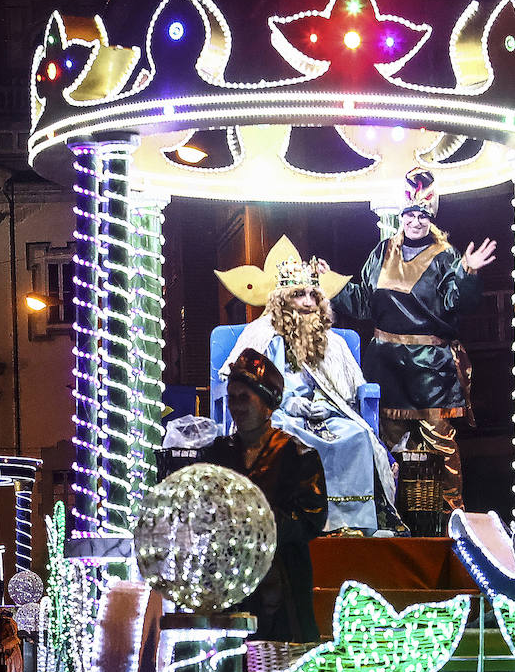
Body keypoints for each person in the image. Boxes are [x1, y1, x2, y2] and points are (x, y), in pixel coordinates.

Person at [334, 168, 497, 516]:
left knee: (439, 444)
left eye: (422, 215)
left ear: (431, 218)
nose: (416, 221)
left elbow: (459, 302)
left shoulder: (445, 255)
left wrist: (467, 273)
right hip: (386, 365)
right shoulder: (383, 252)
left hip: (429, 368)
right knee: (381, 443)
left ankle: (453, 517)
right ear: (401, 215)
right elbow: (364, 301)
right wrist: (331, 284)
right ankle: (379, 512)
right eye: (410, 214)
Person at [222, 255, 400, 533]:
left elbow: (344, 390)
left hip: (324, 413)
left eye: (313, 296)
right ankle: (287, 521)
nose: (307, 303)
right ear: (282, 300)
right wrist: (283, 402)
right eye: (298, 295)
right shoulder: (261, 334)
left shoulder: (333, 341)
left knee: (355, 435)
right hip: (277, 413)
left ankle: (350, 524)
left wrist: (322, 404)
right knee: (279, 436)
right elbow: (244, 382)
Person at [208, 349, 328, 642]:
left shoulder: (298, 455)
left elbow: (311, 518)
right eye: (232, 398)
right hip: (230, 582)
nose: (236, 406)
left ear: (267, 404)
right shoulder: (218, 453)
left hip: (282, 582)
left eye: (244, 398)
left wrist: (256, 521)